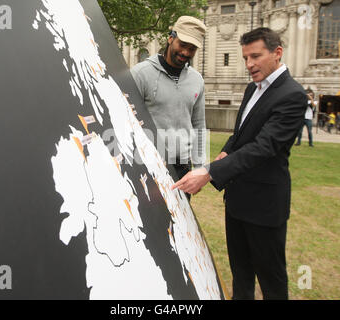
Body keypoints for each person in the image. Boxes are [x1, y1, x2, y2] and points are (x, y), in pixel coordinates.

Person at [172, 28, 307, 300]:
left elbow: (264, 147)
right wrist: (224, 153)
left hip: (264, 205)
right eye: (245, 57)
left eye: (255, 56)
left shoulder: (293, 95)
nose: (249, 65)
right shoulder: (252, 88)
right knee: (241, 274)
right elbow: (241, 135)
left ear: (277, 53)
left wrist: (210, 172)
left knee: (271, 280)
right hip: (237, 201)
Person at [131, 16, 207, 199]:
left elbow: (198, 124)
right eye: (183, 44)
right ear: (170, 38)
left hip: (182, 169)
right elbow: (127, 122)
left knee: (180, 227)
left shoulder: (197, 80)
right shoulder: (140, 74)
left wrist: (200, 168)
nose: (186, 52)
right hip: (147, 165)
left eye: (192, 49)